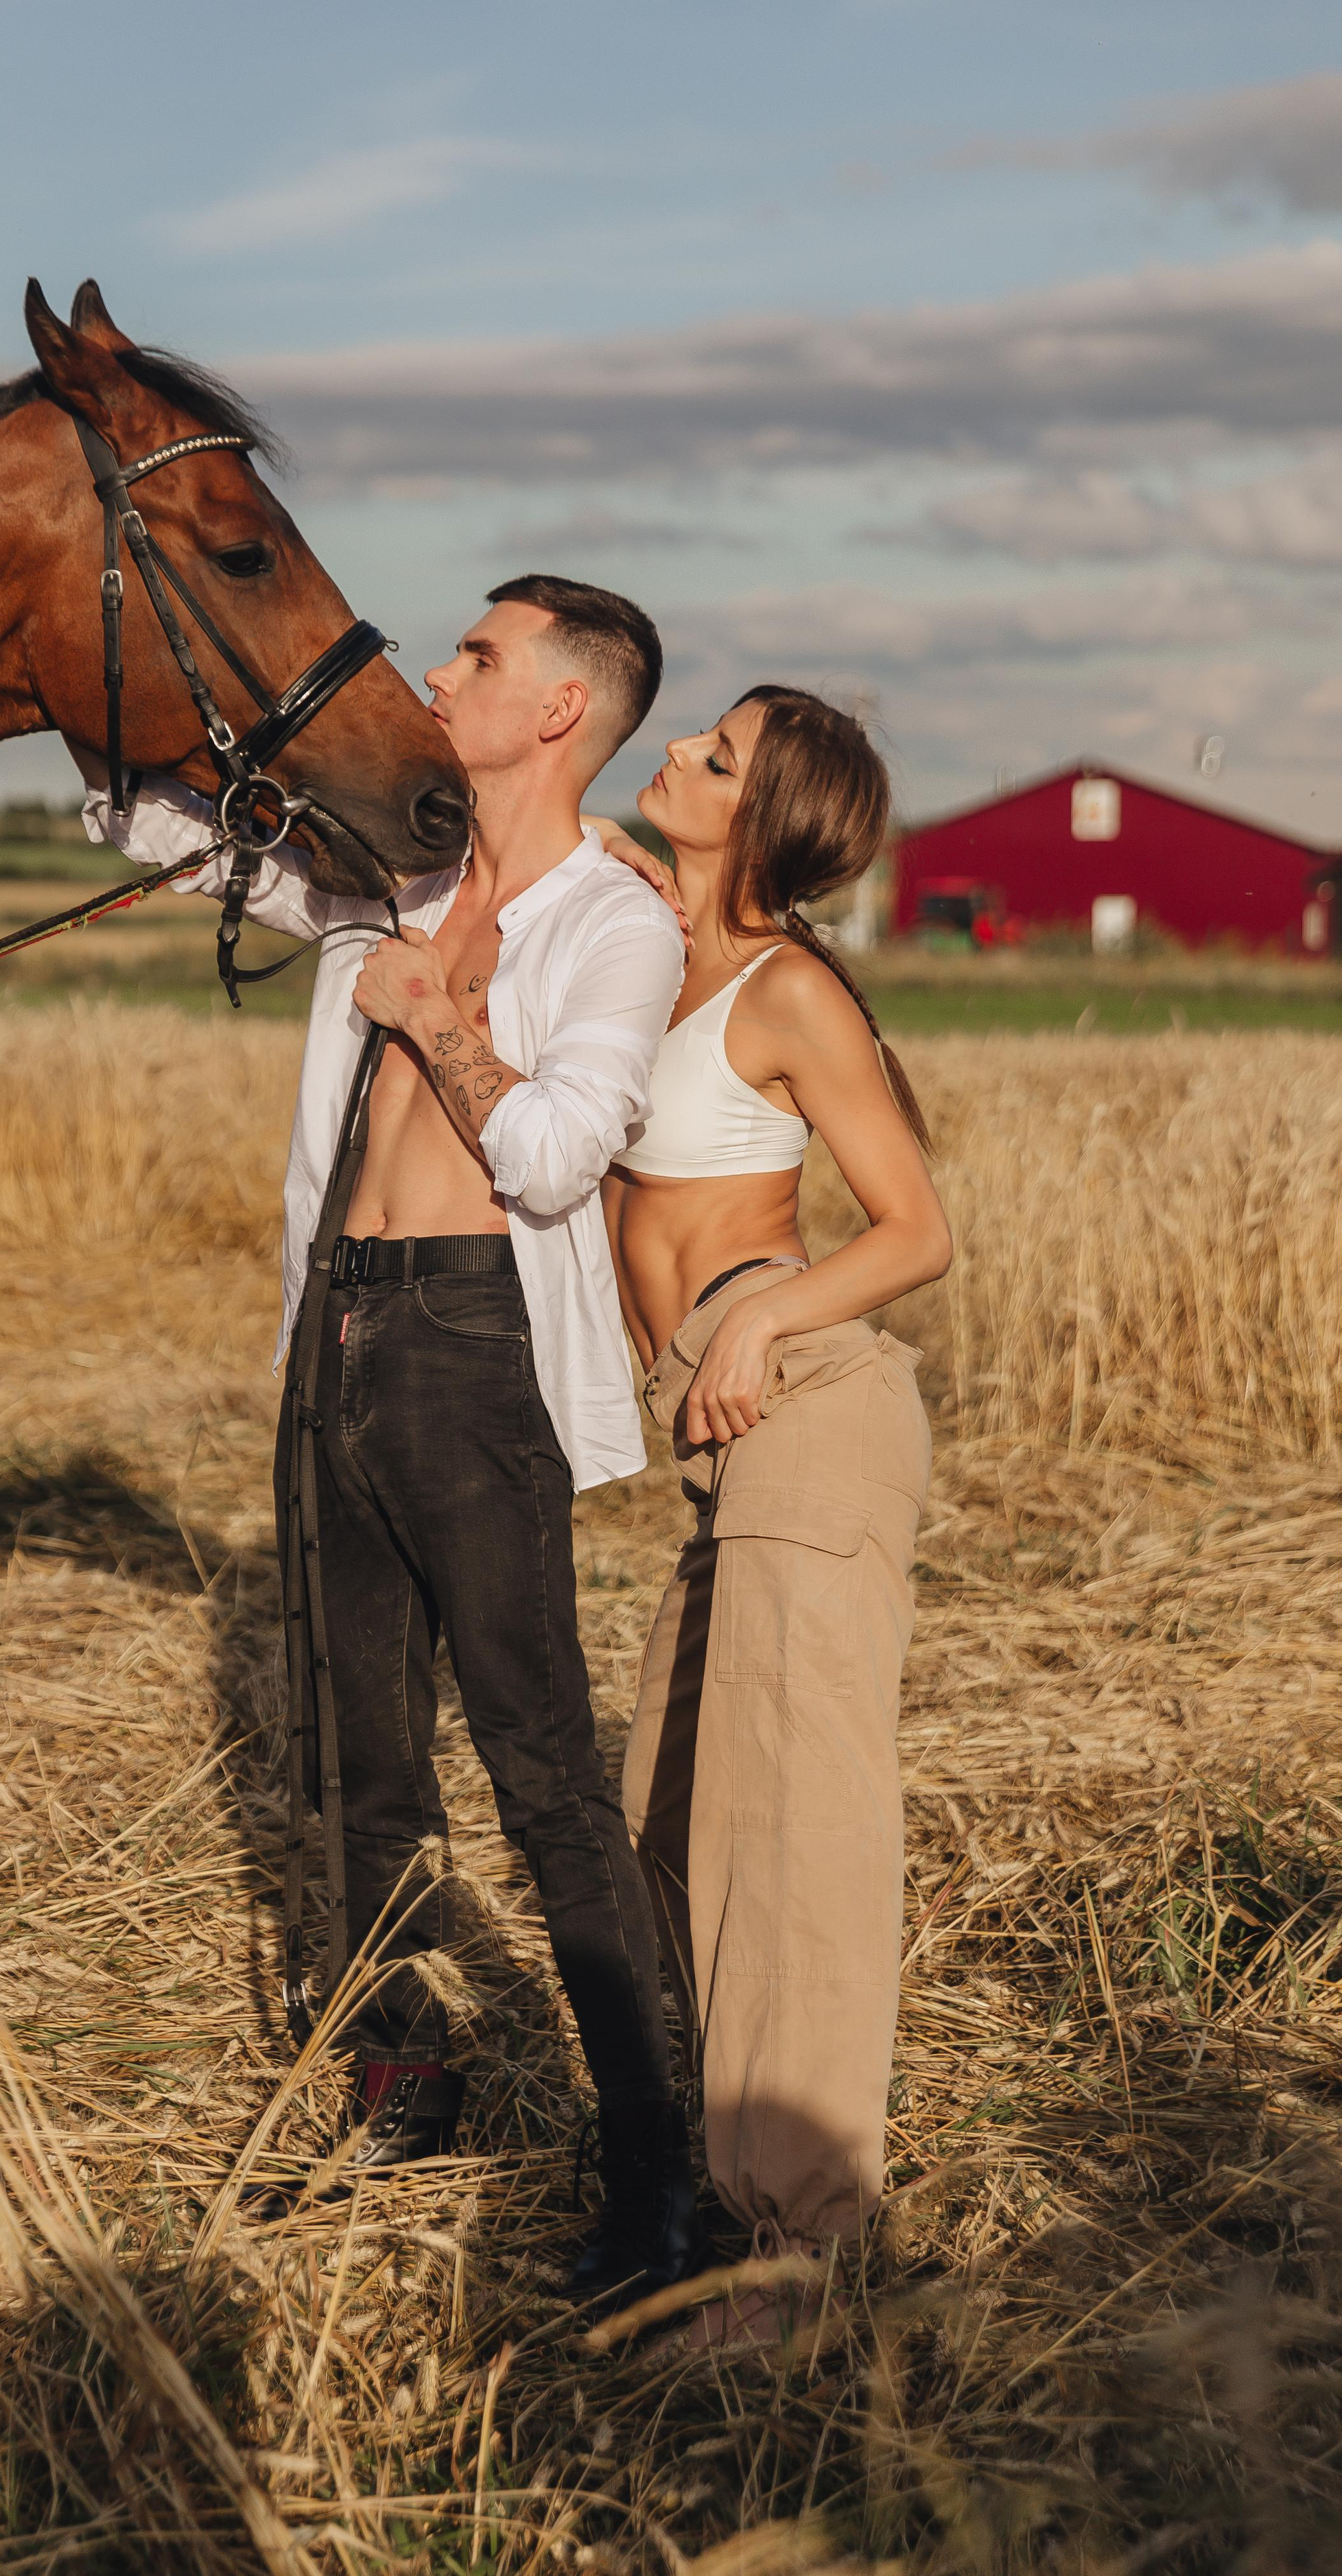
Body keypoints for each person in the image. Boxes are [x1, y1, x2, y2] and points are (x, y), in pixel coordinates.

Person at [75, 577, 701, 2300]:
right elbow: (166, 835)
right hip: (331, 1330)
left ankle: (654, 2171)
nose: (437, 670)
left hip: (470, 1343)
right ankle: (401, 2097)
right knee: (358, 1763)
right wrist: (79, 661)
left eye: (479, 655)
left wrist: (428, 1013)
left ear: (560, 708)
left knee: (540, 1767)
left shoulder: (614, 921)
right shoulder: (389, 878)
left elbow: (557, 1154)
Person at [596, 685, 953, 2350]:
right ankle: (719, 2171)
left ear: (765, 817)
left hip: (803, 1404)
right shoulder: (644, 939)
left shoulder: (783, 986)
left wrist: (761, 1322)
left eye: (715, 755)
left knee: (784, 1834)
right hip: (719, 1446)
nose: (677, 750)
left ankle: (793, 2261)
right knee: (662, 1809)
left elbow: (912, 1229)